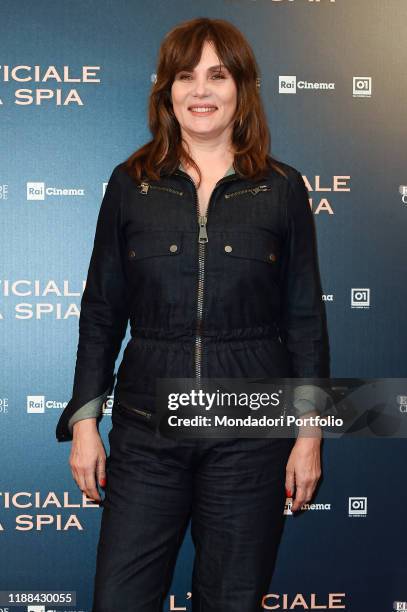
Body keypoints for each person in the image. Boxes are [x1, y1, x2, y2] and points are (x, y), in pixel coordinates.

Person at [56, 17, 330, 612]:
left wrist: (309, 432)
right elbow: (101, 311)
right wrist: (84, 422)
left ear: (242, 90)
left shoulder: (283, 188)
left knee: (231, 600)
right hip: (146, 429)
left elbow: (306, 319)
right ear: (167, 90)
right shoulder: (130, 184)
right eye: (186, 76)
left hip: (250, 434)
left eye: (217, 75)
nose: (200, 91)